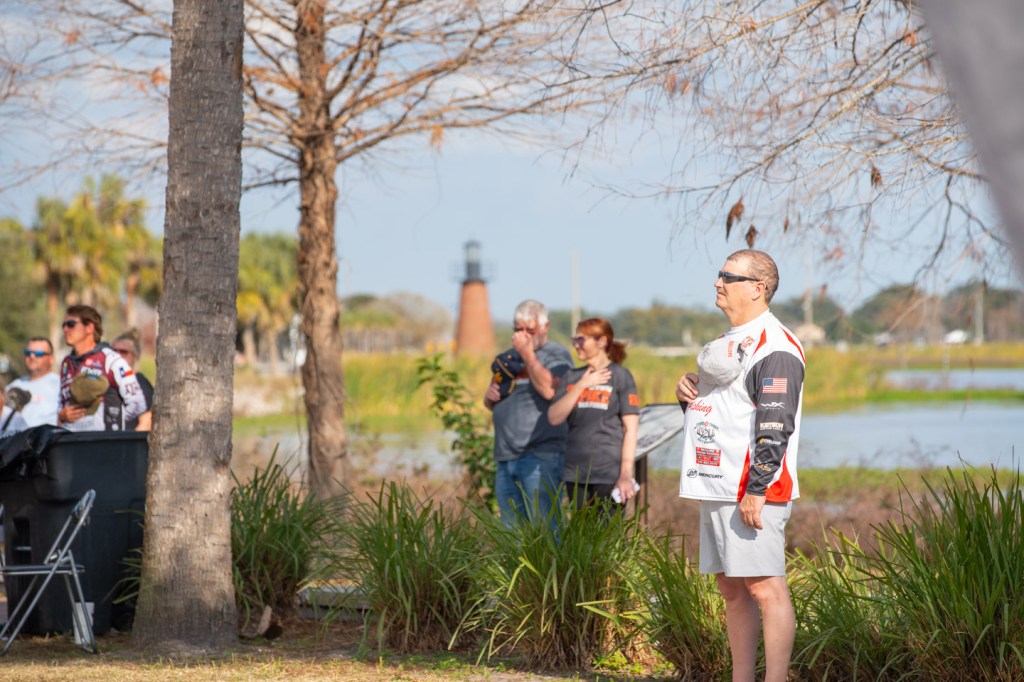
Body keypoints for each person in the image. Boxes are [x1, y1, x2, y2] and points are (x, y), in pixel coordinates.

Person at [674, 249, 805, 682]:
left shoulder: (776, 346)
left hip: (753, 489)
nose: (718, 282)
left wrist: (757, 488)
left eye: (728, 277)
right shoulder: (726, 340)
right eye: (719, 274)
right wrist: (688, 395)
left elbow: (776, 423)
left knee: (766, 588)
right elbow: (724, 408)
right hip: (716, 484)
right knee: (731, 588)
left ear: (757, 288)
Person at [483, 299, 573, 529]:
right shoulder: (507, 358)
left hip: (540, 455)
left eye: (529, 330)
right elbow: (492, 401)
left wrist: (527, 355)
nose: (523, 336)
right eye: (518, 329)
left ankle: (552, 556)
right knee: (511, 530)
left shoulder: (556, 355)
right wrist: (489, 396)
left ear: (545, 327)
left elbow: (550, 390)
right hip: (506, 456)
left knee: (545, 526)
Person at [547, 317, 640, 511]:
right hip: (576, 474)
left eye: (581, 339)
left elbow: (630, 429)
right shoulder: (572, 377)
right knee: (581, 529)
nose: (576, 345)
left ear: (602, 341)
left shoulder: (620, 376)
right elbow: (554, 417)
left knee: (607, 529)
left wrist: (625, 474)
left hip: (608, 474)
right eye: (575, 340)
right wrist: (582, 385)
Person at [57, 304, 147, 432]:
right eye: (64, 325)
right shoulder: (66, 362)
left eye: (71, 324)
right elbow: (61, 403)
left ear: (89, 328)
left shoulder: (111, 359)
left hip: (102, 440)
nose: (66, 329)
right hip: (71, 440)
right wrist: (61, 415)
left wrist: (114, 421)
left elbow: (138, 404)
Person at [6, 337, 60, 426]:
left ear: (51, 358)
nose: (32, 356)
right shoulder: (13, 386)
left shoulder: (60, 385)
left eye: (38, 353)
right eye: (28, 353)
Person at [111, 331, 154, 431]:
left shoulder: (141, 384)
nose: (118, 356)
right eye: (113, 352)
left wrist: (129, 441)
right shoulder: (107, 384)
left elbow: (147, 422)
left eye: (124, 352)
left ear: (136, 356)